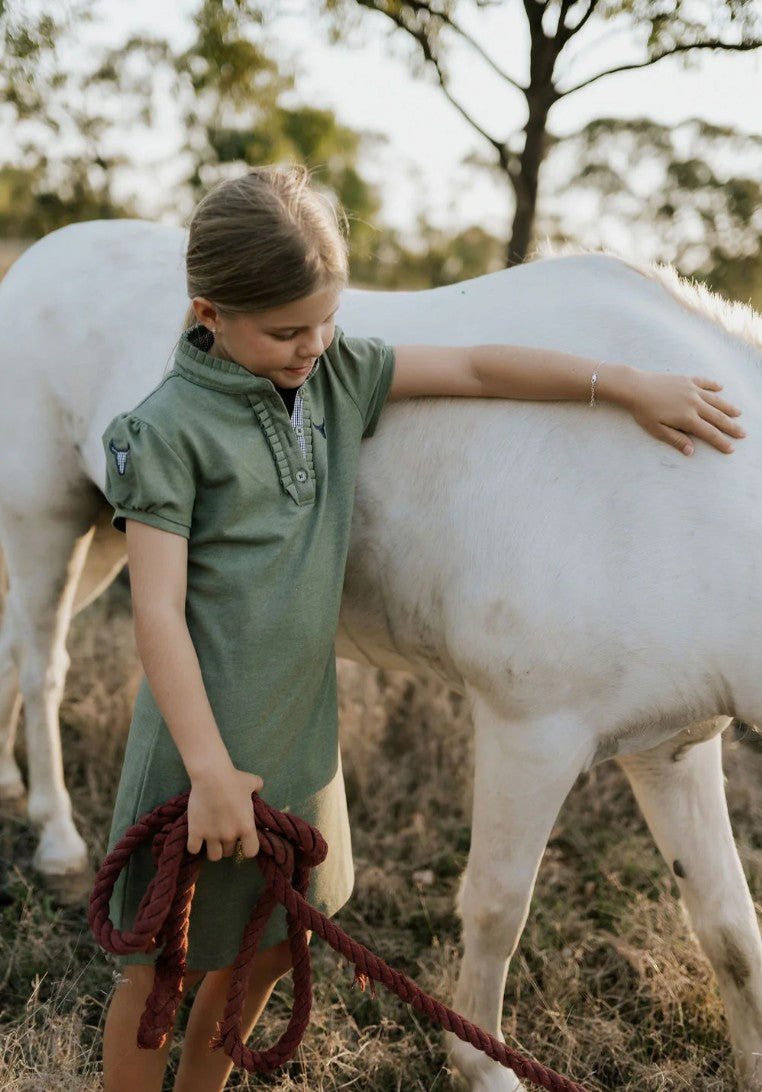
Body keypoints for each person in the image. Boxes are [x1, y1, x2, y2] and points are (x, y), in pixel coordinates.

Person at [99, 164, 745, 1092]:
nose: (310, 347)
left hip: (298, 741)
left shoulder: (334, 377)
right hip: (202, 751)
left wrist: (625, 385)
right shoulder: (165, 433)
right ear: (208, 313)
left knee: (272, 947)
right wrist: (204, 771)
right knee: (165, 966)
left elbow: (480, 367)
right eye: (286, 331)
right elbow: (154, 612)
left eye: (324, 322)